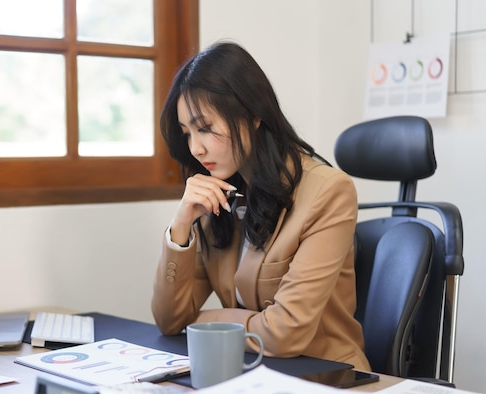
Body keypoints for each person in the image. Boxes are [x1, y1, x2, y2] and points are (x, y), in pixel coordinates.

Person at [151, 42, 371, 371]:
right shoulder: (217, 193)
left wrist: (204, 321)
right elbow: (170, 320)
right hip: (247, 374)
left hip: (325, 379)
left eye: (206, 128)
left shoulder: (328, 192)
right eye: (187, 133)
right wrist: (181, 226)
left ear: (253, 115)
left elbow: (285, 333)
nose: (195, 148)